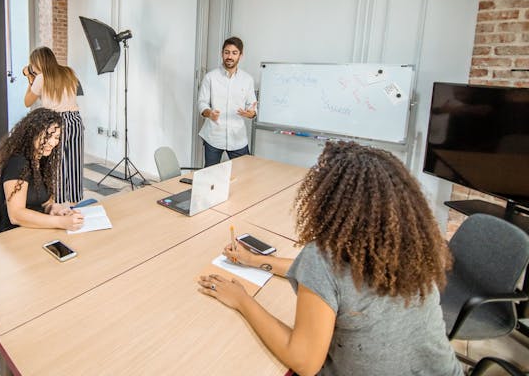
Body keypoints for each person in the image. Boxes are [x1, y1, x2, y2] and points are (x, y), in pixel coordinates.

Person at [198, 141, 463, 376]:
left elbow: (304, 362)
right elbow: (333, 282)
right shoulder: (409, 246)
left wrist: (242, 299)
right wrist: (256, 262)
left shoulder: (323, 256)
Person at [0, 108, 84, 233]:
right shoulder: (17, 163)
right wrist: (61, 222)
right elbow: (16, 215)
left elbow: (44, 202)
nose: (52, 142)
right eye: (47, 136)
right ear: (32, 133)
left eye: (56, 137)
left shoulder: (42, 160)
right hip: (16, 233)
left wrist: (54, 208)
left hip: (36, 228)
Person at [23, 47, 84, 204]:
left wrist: (30, 79)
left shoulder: (41, 78)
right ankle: (74, 201)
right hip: (75, 120)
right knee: (74, 161)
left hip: (56, 122)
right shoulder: (68, 72)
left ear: (37, 62)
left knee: (55, 161)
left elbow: (27, 102)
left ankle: (57, 200)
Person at [197, 37, 257, 167]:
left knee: (244, 176)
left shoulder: (247, 80)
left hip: (238, 138)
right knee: (210, 177)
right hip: (214, 136)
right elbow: (202, 102)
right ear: (222, 53)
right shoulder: (210, 77)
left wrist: (250, 113)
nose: (230, 56)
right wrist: (209, 113)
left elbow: (252, 106)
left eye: (234, 53)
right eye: (227, 52)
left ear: (241, 55)